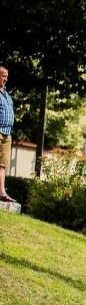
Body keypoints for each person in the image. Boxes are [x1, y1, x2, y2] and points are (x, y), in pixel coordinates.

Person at [0, 65, 17, 203]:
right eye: (3, 76)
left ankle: (1, 192)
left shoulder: (7, 95)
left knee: (2, 164)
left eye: (7, 76)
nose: (5, 79)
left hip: (7, 133)